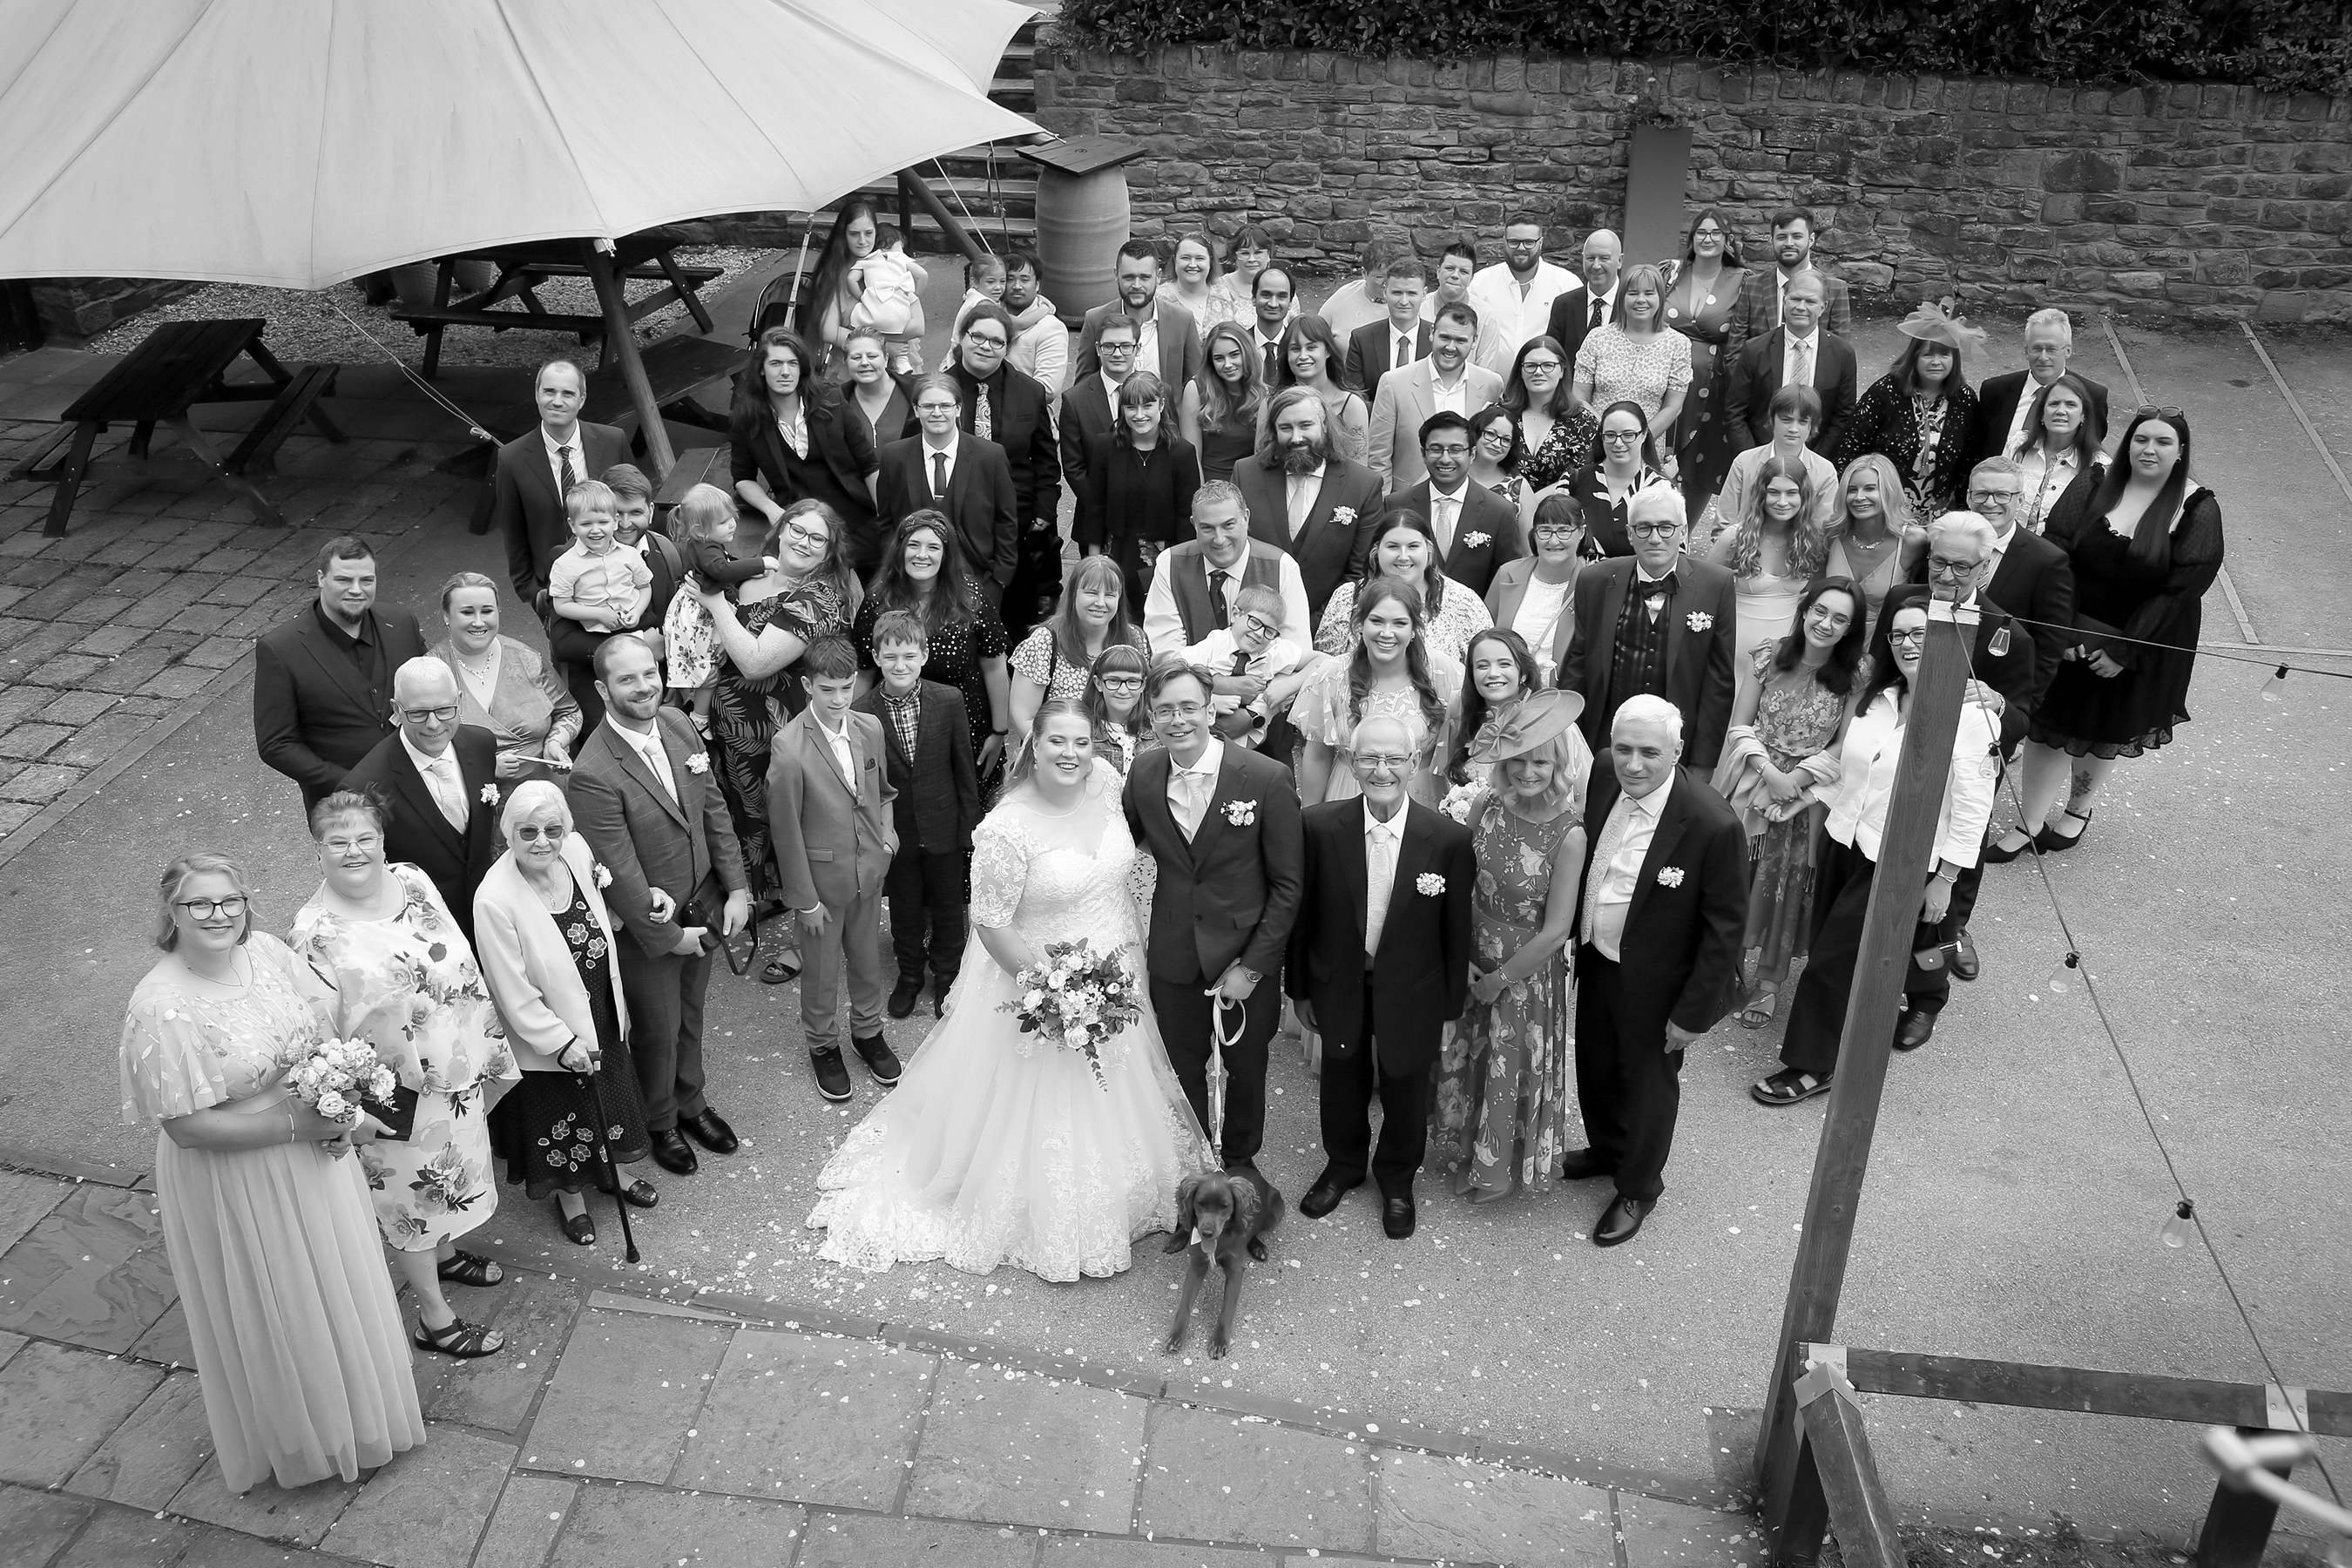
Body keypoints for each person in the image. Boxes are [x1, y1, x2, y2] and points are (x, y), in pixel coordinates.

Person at [813, 696, 1218, 1281]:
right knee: (1043, 1100)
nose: (1071, 753)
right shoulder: (1006, 828)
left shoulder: (1107, 783)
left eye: (1082, 742)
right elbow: (991, 922)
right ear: (1033, 746)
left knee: (1121, 1080)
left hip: (1117, 963)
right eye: (1057, 741)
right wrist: (1051, 991)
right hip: (1039, 979)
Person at [121, 851, 423, 1490]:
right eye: (200, 903)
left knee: (335, 1283)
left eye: (230, 900)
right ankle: (306, 1440)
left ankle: (360, 1420)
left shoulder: (264, 951)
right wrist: (296, 1125)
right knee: (280, 1301)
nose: (218, 914)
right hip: (237, 1173)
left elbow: (317, 1034)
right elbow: (187, 1128)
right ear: (171, 912)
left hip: (313, 1145)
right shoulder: (159, 1007)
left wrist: (342, 1107)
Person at [293, 791, 519, 1358]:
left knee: (451, 1176)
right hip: (394, 1095)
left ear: (382, 841)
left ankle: (445, 1253)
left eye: (364, 838)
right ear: (317, 850)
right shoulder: (315, 935)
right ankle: (434, 1318)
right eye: (338, 842)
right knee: (410, 1203)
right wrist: (349, 1110)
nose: (354, 851)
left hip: (460, 1066)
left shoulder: (412, 880)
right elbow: (318, 1036)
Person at [1751, 593, 2001, 1105]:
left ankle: (1813, 1065)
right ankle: (1894, 1006)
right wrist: (1805, 802)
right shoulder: (1878, 697)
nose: (1908, 644)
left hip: (1901, 857)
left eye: (1921, 634)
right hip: (1844, 841)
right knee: (1841, 948)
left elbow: (1974, 810)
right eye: (1899, 634)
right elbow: (1853, 771)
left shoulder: (1973, 718)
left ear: (1947, 641)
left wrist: (1945, 879)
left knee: (1832, 963)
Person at [1996, 409, 2222, 855]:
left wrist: (2124, 650)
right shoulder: (2095, 482)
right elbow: (2057, 552)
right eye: (2141, 439)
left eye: (2162, 442)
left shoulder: (2197, 508)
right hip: (2071, 626)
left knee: (2101, 728)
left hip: (2143, 638)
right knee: (2048, 725)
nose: (2149, 450)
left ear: (2180, 452)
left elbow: (2181, 590)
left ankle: (2078, 809)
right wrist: (2062, 630)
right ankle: (2030, 821)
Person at [1565, 696, 1747, 1245]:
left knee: (1648, 1085)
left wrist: (1692, 1015)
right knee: (1596, 1064)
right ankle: (1607, 1150)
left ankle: (1639, 1186)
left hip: (1660, 982)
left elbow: (1725, 930)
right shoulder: (1604, 771)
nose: (1633, 764)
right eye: (1624, 749)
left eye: (1649, 752)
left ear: (1677, 751)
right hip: (1599, 958)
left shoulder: (1713, 824)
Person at [568, 635, 753, 1174]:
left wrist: (736, 888)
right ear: (603, 689)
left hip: (705, 905)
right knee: (657, 1028)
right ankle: (660, 1119)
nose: (644, 686)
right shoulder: (592, 772)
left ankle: (692, 1102)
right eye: (627, 679)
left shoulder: (676, 722)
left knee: (691, 1014)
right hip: (651, 931)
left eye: (649, 673)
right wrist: (672, 938)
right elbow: (621, 873)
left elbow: (713, 808)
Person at [1289, 713, 1476, 1238]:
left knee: (1405, 1085)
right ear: (1351, 763)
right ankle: (1343, 1165)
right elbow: (1302, 917)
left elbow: (1455, 932)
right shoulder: (1319, 826)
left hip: (1414, 989)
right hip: (1339, 981)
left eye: (1394, 758)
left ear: (1414, 764)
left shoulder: (1448, 839)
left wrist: (1450, 1008)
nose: (1382, 769)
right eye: (1369, 757)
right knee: (1341, 1079)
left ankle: (1397, 1178)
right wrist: (1299, 988)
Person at [1125, 664, 1305, 1178]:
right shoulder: (1143, 774)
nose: (1177, 719)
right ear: (1151, 718)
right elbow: (1120, 844)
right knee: (1180, 1068)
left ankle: (1242, 1165)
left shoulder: (1266, 777)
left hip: (1244, 956)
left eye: (1188, 707)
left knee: (1246, 1069)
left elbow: (1288, 885)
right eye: (1164, 711)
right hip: (1174, 952)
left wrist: (1252, 967)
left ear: (1210, 711)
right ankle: (1195, 1166)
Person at [474, 781, 659, 1247]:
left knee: (607, 1097)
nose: (542, 841)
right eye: (528, 831)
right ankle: (570, 1197)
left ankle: (612, 1172)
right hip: (549, 1030)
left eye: (552, 830)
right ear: (509, 834)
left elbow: (601, 916)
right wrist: (560, 1043)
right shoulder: (494, 898)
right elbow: (511, 990)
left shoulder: (575, 851)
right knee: (564, 1112)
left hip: (600, 1005)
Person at [1430, 691, 1591, 1201]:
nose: (1528, 771)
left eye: (1541, 761)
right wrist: (1462, 958)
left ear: (1559, 765)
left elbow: (1556, 931)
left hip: (1523, 972)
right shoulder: (1486, 805)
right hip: (1472, 955)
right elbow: (1460, 884)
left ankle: (1496, 1168)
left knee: (1506, 1060)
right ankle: (1465, 1150)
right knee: (1466, 1053)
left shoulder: (1569, 834)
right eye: (1519, 759)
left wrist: (1499, 980)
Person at [1880, 525, 2036, 1041]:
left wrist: (1999, 704)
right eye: (1938, 562)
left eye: (1961, 567)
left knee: (1938, 909)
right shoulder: (1904, 601)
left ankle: (1928, 995)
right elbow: (1880, 670)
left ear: (1984, 568)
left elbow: (2024, 717)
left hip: (1957, 782)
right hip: (1893, 762)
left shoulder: (2009, 633)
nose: (1946, 575)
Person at [695, 500, 861, 975]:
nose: (804, 543)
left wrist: (715, 604)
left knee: (797, 828)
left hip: (782, 735)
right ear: (781, 529)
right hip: (731, 733)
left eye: (817, 538)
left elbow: (756, 662)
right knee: (747, 820)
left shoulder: (818, 598)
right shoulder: (749, 574)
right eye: (797, 530)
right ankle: (767, 898)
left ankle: (807, 940)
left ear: (829, 551)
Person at [1711, 578, 1866, 1029]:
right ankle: (1723, 967)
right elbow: (1740, 726)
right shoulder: (1769, 655)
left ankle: (1769, 982)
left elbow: (1845, 743)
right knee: (1735, 876)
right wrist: (1770, 774)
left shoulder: (1857, 673)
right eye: (1820, 611)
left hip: (1809, 794)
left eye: (1840, 619)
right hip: (1753, 780)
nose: (1826, 624)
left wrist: (1794, 782)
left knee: (1788, 885)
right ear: (1805, 609)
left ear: (1851, 628)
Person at [768, 636, 902, 1102]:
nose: (840, 699)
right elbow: (785, 831)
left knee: (867, 962)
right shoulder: (788, 749)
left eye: (847, 687)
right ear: (808, 685)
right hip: (820, 888)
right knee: (821, 973)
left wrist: (888, 838)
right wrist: (804, 901)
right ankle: (823, 1045)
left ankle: (867, 1032)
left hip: (868, 874)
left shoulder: (870, 727)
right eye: (828, 690)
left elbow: (883, 791)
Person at [855, 610, 982, 1021]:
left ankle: (948, 975)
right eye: (890, 657)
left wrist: (970, 827)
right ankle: (910, 974)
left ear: (924, 655)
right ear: (876, 657)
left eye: (909, 656)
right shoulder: (862, 711)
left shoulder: (949, 700)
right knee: (905, 908)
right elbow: (866, 785)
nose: (900, 665)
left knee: (949, 906)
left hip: (944, 823)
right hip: (897, 831)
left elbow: (963, 767)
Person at [1558, 489, 1740, 770]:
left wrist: (1703, 762)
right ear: (1630, 534)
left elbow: (1719, 682)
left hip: (1676, 742)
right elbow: (1578, 664)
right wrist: (1566, 736)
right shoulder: (1595, 580)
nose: (1655, 538)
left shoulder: (1716, 585)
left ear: (1683, 532)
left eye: (1666, 527)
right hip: (1604, 737)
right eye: (1644, 528)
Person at [255, 537, 427, 810]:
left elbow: (429, 690)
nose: (356, 590)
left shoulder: (402, 623)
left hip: (420, 788)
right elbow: (276, 745)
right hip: (342, 807)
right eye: (344, 580)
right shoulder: (281, 649)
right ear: (321, 578)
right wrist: (350, 784)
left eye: (367, 580)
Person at [339, 658, 503, 942]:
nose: (434, 723)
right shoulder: (364, 787)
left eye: (444, 710)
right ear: (396, 710)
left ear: (459, 701)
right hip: (424, 931)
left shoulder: (481, 744)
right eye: (418, 713)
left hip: (491, 912)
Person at [934, 302, 1065, 634]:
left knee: (1016, 616)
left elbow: (1045, 457)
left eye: (996, 341)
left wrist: (1045, 509)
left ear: (1007, 347)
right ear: (962, 338)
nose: (985, 346)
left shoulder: (1029, 391)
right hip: (955, 519)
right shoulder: (937, 391)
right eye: (977, 336)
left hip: (1016, 521)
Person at [852, 510, 1010, 767]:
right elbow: (864, 672)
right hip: (897, 729)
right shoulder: (879, 600)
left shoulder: (971, 598)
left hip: (965, 727)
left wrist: (999, 732)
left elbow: (995, 667)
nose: (922, 555)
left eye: (933, 547)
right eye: (913, 545)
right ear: (900, 550)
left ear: (946, 555)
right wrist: (851, 732)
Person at [729, 328, 885, 575]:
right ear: (762, 369)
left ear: (801, 368)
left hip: (856, 519)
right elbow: (743, 478)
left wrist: (886, 519)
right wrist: (771, 508)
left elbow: (869, 465)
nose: (785, 372)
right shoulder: (747, 419)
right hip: (800, 532)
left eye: (792, 363)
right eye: (776, 363)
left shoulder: (832, 400)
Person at [1297, 575, 1463, 806]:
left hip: (1421, 797)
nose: (1386, 632)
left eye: (1399, 623)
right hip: (1349, 795)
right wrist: (1310, 817)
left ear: (1414, 629)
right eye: (1377, 621)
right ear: (1360, 624)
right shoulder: (1332, 674)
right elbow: (1317, 758)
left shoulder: (1442, 671)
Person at [1233, 385, 1383, 625]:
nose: (1296, 438)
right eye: (1286, 428)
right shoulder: (1246, 474)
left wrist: (1312, 625)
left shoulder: (1363, 485)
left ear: (1325, 425)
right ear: (1273, 431)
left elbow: (1360, 573)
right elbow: (1236, 553)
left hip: (1328, 625)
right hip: (1254, 625)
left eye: (1305, 425)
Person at [490, 356, 629, 609]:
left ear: (582, 399)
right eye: (549, 391)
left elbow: (630, 505)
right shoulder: (512, 458)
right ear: (537, 394)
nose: (557, 401)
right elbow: (513, 530)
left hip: (616, 582)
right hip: (553, 589)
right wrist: (531, 591)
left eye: (567, 393)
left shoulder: (613, 442)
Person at [877, 374, 1021, 612]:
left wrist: (999, 581)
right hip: (912, 584)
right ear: (916, 410)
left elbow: (1006, 521)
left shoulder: (990, 456)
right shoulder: (894, 456)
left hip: (977, 581)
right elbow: (886, 522)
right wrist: (894, 572)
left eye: (945, 405)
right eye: (928, 406)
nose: (937, 413)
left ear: (958, 409)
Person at [1834, 302, 1984, 517]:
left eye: (1944, 355)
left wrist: (1963, 509)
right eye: (1927, 355)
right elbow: (1850, 447)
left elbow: (1969, 458)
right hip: (1884, 509)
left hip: (1939, 512)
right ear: (1914, 357)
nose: (1936, 362)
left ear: (1954, 360)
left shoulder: (1964, 399)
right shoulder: (1886, 392)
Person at [433, 572, 581, 787]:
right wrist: (483, 768)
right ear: (446, 616)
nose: (479, 622)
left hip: (545, 791)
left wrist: (555, 742)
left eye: (487, 611)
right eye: (467, 612)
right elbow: (416, 746)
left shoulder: (527, 658)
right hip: (471, 794)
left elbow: (569, 712)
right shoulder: (431, 673)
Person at [1141, 483, 1313, 660]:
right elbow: (1165, 654)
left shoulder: (1282, 567)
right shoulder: (1170, 564)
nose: (1219, 539)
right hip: (1186, 678)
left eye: (1228, 525)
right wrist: (1218, 677)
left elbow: (1296, 652)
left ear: (1246, 518)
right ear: (1194, 525)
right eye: (1207, 528)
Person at [1078, 370, 1203, 612]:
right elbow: (1095, 508)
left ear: (1161, 405)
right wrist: (1094, 563)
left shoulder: (1182, 453)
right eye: (1131, 407)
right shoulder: (1106, 446)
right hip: (1115, 555)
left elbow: (1186, 520)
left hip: (1162, 558)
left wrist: (1183, 571)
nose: (1139, 415)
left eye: (1147, 406)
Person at [1315, 510, 1493, 670]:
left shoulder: (1462, 601)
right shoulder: (1348, 597)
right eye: (1393, 546)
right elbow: (1325, 666)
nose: (1403, 556)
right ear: (1375, 551)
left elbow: (1487, 664)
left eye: (1413, 546)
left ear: (1429, 550)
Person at [1007, 553, 1152, 744]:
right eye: (1092, 593)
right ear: (1074, 594)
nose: (1100, 602)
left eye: (1110, 595)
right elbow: (1024, 718)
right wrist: (1067, 753)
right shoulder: (1045, 642)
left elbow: (1145, 705)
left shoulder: (1135, 640)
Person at [659, 484, 773, 728]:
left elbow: (727, 566)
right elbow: (721, 570)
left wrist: (747, 572)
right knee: (707, 669)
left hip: (701, 610)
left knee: (708, 666)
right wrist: (760, 564)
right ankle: (698, 719)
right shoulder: (707, 548)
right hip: (700, 615)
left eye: (732, 517)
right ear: (700, 530)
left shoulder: (705, 543)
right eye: (723, 522)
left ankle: (695, 713)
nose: (732, 524)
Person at [1706, 456, 1834, 666]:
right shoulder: (1735, 538)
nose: (1782, 502)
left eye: (1791, 493)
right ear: (1761, 494)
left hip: (1786, 656)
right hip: (1731, 653)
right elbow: (1704, 592)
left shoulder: (1812, 542)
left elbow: (1817, 595)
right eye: (1774, 492)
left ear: (1803, 495)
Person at [1660, 208, 1750, 505]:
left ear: (1728, 240)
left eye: (1715, 233)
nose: (1707, 239)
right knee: (1657, 459)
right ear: (1692, 238)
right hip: (1662, 383)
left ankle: (1685, 529)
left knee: (1699, 468)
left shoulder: (1743, 281)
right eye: (1701, 232)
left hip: (1713, 389)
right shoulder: (1671, 273)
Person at [1369, 303, 1504, 494]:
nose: (1451, 347)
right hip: (1407, 498)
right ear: (1432, 333)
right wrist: (1384, 504)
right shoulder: (1394, 382)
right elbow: (1378, 457)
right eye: (1445, 337)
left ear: (1474, 341)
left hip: (1470, 498)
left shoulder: (1492, 384)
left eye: (1461, 340)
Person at [1722, 270, 1859, 459]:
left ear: (1823, 307)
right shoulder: (1755, 350)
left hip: (1815, 461)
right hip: (1761, 457)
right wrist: (1753, 460)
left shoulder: (1842, 353)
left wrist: (1815, 463)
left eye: (1810, 301)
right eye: (1795, 299)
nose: (1801, 307)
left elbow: (1843, 417)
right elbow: (1735, 412)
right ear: (1784, 301)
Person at [1571, 263, 1691, 471]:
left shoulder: (1678, 344)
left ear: (1661, 298)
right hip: (1598, 444)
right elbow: (1579, 396)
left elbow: (1673, 406)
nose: (1641, 300)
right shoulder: (1597, 338)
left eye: (1649, 293)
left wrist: (1639, 441)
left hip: (1647, 448)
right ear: (1622, 297)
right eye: (1633, 293)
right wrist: (1608, 435)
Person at [1390, 410, 1524, 597]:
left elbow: (1507, 583)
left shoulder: (1499, 511)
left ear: (1472, 454)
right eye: (1436, 449)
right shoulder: (1397, 505)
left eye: (1456, 450)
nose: (1445, 459)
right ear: (1423, 454)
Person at [1965, 308, 2113, 467]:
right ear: (2026, 351)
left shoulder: (2092, 396)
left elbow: (2090, 449)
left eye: (2051, 349)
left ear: (2068, 351)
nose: (2043, 357)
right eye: (2037, 348)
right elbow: (1977, 447)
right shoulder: (1995, 391)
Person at [1180, 580, 1308, 751]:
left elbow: (1321, 660)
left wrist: (1288, 686)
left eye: (1269, 631)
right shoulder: (1215, 644)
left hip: (1248, 738)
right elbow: (1177, 670)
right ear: (1235, 614)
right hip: (1203, 727)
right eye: (1255, 622)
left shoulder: (1274, 651)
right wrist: (1211, 700)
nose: (1260, 634)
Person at [1074, 239, 1206, 393]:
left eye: (1145, 277)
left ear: (1158, 276)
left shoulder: (1182, 320)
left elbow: (1197, 384)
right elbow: (1083, 390)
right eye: (1129, 277)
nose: (1137, 285)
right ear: (1116, 274)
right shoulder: (1095, 320)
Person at [1713, 385, 1842, 539]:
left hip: (1800, 551)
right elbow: (1723, 525)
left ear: (1812, 425)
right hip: (1743, 547)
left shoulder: (1825, 471)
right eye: (1786, 420)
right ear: (1772, 419)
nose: (1793, 429)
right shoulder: (1744, 462)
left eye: (1802, 422)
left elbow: (1824, 531)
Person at [1726, 207, 1852, 354]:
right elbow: (1735, 350)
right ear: (1772, 240)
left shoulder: (1835, 289)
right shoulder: (1752, 286)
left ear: (1811, 240)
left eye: (1797, 236)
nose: (1789, 243)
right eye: (1781, 237)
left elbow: (1840, 354)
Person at [546, 479, 653, 651]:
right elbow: (562, 605)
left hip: (633, 621)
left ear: (615, 521)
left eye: (603, 522)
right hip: (595, 632)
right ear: (573, 525)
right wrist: (599, 614)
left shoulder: (629, 554)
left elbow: (644, 587)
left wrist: (637, 612)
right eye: (586, 524)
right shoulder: (565, 564)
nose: (595, 530)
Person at [1467, 213, 1578, 375]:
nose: (1521, 248)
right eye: (1514, 242)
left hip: (1544, 384)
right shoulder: (1480, 283)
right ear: (1504, 242)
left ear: (1541, 243)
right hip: (1490, 384)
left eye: (1529, 242)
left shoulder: (1567, 284)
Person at [1484, 497, 1584, 677]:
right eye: (1545, 531)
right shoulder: (1507, 574)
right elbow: (1483, 634)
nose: (1554, 541)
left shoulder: (1592, 583)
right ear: (1534, 533)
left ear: (1581, 532)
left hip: (1563, 690)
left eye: (1564, 531)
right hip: (1508, 688)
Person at [1064, 313, 1141, 540]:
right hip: (1097, 522)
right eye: (1109, 346)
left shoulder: (1159, 392)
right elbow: (1074, 468)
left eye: (1125, 346)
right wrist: (1106, 508)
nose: (1117, 353)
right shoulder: (1075, 400)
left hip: (1150, 518)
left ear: (1137, 348)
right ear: (1098, 349)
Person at [1566, 401, 1675, 559]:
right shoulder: (1574, 481)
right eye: (1610, 435)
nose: (1618, 443)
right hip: (1581, 574)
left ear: (1644, 435)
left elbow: (1676, 553)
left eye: (1628, 435)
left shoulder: (1663, 489)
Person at [1821, 455, 1911, 640]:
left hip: (1882, 645)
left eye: (1870, 488)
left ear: (1889, 491)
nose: (1859, 497)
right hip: (1831, 640)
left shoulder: (1912, 541)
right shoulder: (1832, 533)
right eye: (1852, 490)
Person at [1502, 335, 1601, 503]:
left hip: (1557, 511)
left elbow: (1580, 475)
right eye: (1530, 366)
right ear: (1520, 371)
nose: (1538, 372)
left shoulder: (1583, 421)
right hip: (1503, 508)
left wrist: (1529, 505)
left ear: (1562, 370)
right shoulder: (1500, 415)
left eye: (1548, 365)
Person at [2007, 373, 2106, 533]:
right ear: (2042, 414)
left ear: (2083, 416)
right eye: (2054, 404)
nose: (2061, 411)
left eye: (2070, 405)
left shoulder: (2098, 464)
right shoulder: (2018, 445)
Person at [1268, 314, 1370, 468]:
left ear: (1328, 351)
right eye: (1295, 349)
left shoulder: (1351, 405)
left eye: (1311, 348)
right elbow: (1263, 462)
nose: (1303, 356)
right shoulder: (1271, 403)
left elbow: (1359, 469)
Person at [1179, 319, 1272, 484]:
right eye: (1219, 358)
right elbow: (1191, 457)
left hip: (1250, 483)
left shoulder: (1265, 395)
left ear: (1247, 353)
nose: (1228, 364)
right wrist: (1203, 495)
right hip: (1208, 484)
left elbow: (1262, 458)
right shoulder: (1196, 389)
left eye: (1234, 355)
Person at [1445, 625, 1539, 784]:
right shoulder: (1459, 713)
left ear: (1523, 673)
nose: (1493, 674)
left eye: (1504, 664)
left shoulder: (1549, 722)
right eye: (1483, 666)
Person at [797, 200, 885, 367]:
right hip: (855, 360)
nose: (862, 241)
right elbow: (828, 331)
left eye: (868, 233)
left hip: (895, 357)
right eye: (854, 234)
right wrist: (878, 347)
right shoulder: (833, 274)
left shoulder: (890, 264)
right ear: (843, 235)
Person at [1343, 254, 1433, 402]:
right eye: (1397, 293)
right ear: (1385, 292)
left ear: (1424, 294)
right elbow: (1356, 397)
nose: (1404, 301)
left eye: (1411, 293)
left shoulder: (1438, 339)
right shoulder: (1362, 340)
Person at [1543, 228, 1622, 376]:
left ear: (1620, 261)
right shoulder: (1563, 305)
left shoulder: (1632, 305)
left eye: (1604, 258)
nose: (1596, 266)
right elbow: (1552, 357)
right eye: (1590, 258)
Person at [999, 253, 1070, 419]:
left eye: (1025, 280)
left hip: (1029, 420)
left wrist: (993, 393)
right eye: (1010, 279)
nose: (1017, 286)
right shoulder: (986, 314)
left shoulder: (1050, 327)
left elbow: (1047, 390)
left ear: (1037, 284)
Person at [1423, 239, 1503, 369]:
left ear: (1471, 279)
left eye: (1463, 272)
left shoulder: (1486, 316)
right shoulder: (1419, 308)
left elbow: (1485, 370)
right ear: (1438, 271)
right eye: (1450, 268)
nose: (1455, 275)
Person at [841, 328, 914, 461]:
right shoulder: (836, 401)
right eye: (856, 357)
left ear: (886, 359)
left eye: (872, 356)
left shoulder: (915, 392)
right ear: (846, 362)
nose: (864, 363)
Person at [1318, 233, 1399, 341]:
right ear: (1364, 273)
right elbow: (1314, 334)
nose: (1387, 283)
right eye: (1379, 277)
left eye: (1392, 276)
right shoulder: (1343, 297)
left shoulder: (1409, 301)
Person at [1206, 222, 1284, 329]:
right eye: (1245, 253)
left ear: (1269, 254)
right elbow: (1217, 332)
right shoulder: (1219, 288)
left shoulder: (1282, 284)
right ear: (1235, 256)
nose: (1252, 259)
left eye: (1258, 253)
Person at [1465, 403, 1531, 526]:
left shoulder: (1520, 487)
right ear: (1475, 432)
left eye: (1506, 440)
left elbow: (1529, 537)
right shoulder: (1450, 474)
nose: (1496, 444)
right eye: (1491, 434)